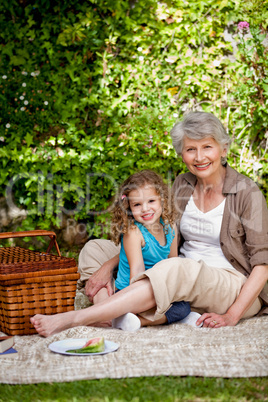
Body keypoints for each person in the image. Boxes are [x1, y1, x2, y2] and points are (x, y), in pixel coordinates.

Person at [30, 111, 268, 337]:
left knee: (176, 268)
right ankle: (109, 313)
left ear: (223, 148)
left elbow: (263, 265)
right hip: (177, 269)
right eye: (190, 149)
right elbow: (156, 233)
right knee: (95, 249)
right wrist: (108, 265)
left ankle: (76, 318)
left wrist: (232, 316)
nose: (199, 157)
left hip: (229, 284)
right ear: (181, 153)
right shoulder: (183, 184)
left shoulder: (247, 193)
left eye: (207, 147)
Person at [109, 169, 194, 331]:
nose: (145, 209)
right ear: (128, 208)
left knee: (184, 306)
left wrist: (173, 293)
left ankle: (140, 320)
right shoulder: (133, 232)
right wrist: (152, 297)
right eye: (137, 205)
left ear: (162, 199)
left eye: (151, 201)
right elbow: (137, 273)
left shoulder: (170, 227)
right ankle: (141, 319)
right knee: (175, 308)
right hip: (131, 290)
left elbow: (173, 264)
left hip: (158, 287)